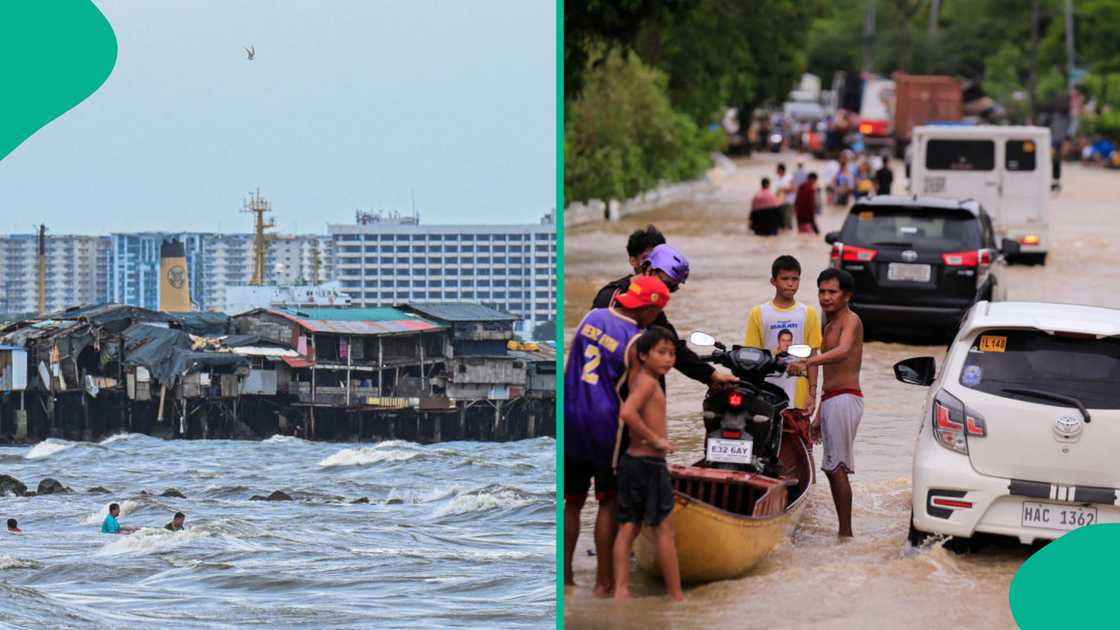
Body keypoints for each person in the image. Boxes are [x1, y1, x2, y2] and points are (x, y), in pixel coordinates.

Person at [564, 275, 671, 596]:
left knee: (572, 502)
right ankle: (603, 583)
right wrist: (654, 438)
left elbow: (571, 365)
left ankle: (565, 579)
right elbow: (637, 396)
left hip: (570, 416)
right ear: (648, 308)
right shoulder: (636, 341)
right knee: (607, 502)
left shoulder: (591, 317)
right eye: (657, 312)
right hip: (605, 426)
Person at [592, 243, 737, 391]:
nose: (666, 292)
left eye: (672, 288)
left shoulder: (652, 306)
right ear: (649, 269)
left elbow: (672, 346)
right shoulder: (611, 297)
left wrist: (711, 376)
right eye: (665, 284)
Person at [787, 269, 864, 537]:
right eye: (822, 291)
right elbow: (830, 375)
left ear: (847, 296)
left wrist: (807, 362)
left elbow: (843, 351)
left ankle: (846, 534)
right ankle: (844, 533)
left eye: (833, 292)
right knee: (831, 468)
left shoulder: (851, 320)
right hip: (832, 399)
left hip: (846, 398)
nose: (826, 297)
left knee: (836, 467)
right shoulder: (828, 325)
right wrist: (819, 409)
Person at [612, 326, 683, 602]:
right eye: (661, 352)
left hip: (632, 462)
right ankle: (676, 595)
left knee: (628, 527)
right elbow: (628, 412)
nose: (668, 359)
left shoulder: (638, 377)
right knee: (664, 529)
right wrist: (656, 440)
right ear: (643, 355)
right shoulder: (649, 383)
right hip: (650, 463)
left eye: (672, 354)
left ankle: (621, 591)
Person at [745, 256, 822, 415]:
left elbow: (813, 356)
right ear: (773, 281)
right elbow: (752, 356)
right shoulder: (758, 313)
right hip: (766, 394)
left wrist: (812, 394)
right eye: (785, 278)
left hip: (799, 397)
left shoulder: (809, 313)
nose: (790, 283)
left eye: (795, 279)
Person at [775, 163, 795, 230]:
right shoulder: (777, 178)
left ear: (781, 170)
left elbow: (793, 188)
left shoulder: (789, 177)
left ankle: (789, 233)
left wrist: (782, 190)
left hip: (788, 202)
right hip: (779, 202)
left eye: (777, 169)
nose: (776, 171)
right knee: (781, 222)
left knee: (788, 220)